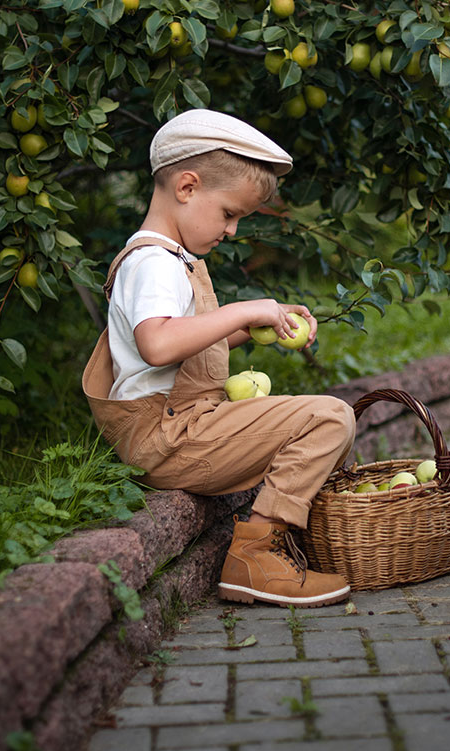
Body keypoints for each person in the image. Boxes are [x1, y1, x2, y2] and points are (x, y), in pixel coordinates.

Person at [82, 109, 356, 608]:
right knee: (329, 416)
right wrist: (239, 310)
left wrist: (251, 329)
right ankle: (255, 557)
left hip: (182, 426)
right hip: (167, 435)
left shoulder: (169, 259)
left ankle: (267, 550)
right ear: (187, 187)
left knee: (322, 420)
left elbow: (177, 355)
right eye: (229, 213)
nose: (231, 230)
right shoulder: (153, 262)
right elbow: (158, 345)